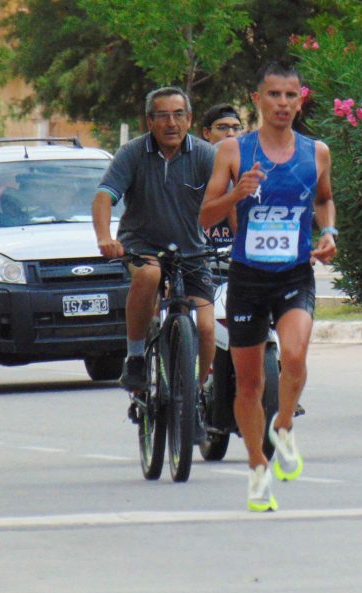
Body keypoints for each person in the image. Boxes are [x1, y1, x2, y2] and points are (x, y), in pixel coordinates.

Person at [200, 62, 337, 511]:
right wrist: (236, 194)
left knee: (295, 356)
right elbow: (204, 216)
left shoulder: (316, 151)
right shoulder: (233, 152)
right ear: (258, 99)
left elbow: (323, 199)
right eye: (274, 95)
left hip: (295, 273)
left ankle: (284, 427)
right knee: (249, 384)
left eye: (290, 96)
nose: (283, 104)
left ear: (301, 100)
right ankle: (258, 468)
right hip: (248, 278)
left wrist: (329, 233)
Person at [92, 86, 217, 393]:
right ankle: (135, 356)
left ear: (189, 119)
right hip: (142, 246)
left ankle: (195, 397)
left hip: (192, 251)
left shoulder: (204, 154)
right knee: (148, 275)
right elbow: (104, 196)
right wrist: (105, 237)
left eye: (178, 115)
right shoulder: (132, 153)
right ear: (149, 121)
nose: (171, 123)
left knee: (206, 327)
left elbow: (230, 199)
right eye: (162, 116)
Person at [200, 104, 245, 247]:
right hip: (198, 253)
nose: (231, 133)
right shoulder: (194, 166)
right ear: (206, 133)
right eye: (222, 127)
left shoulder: (252, 167)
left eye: (236, 128)